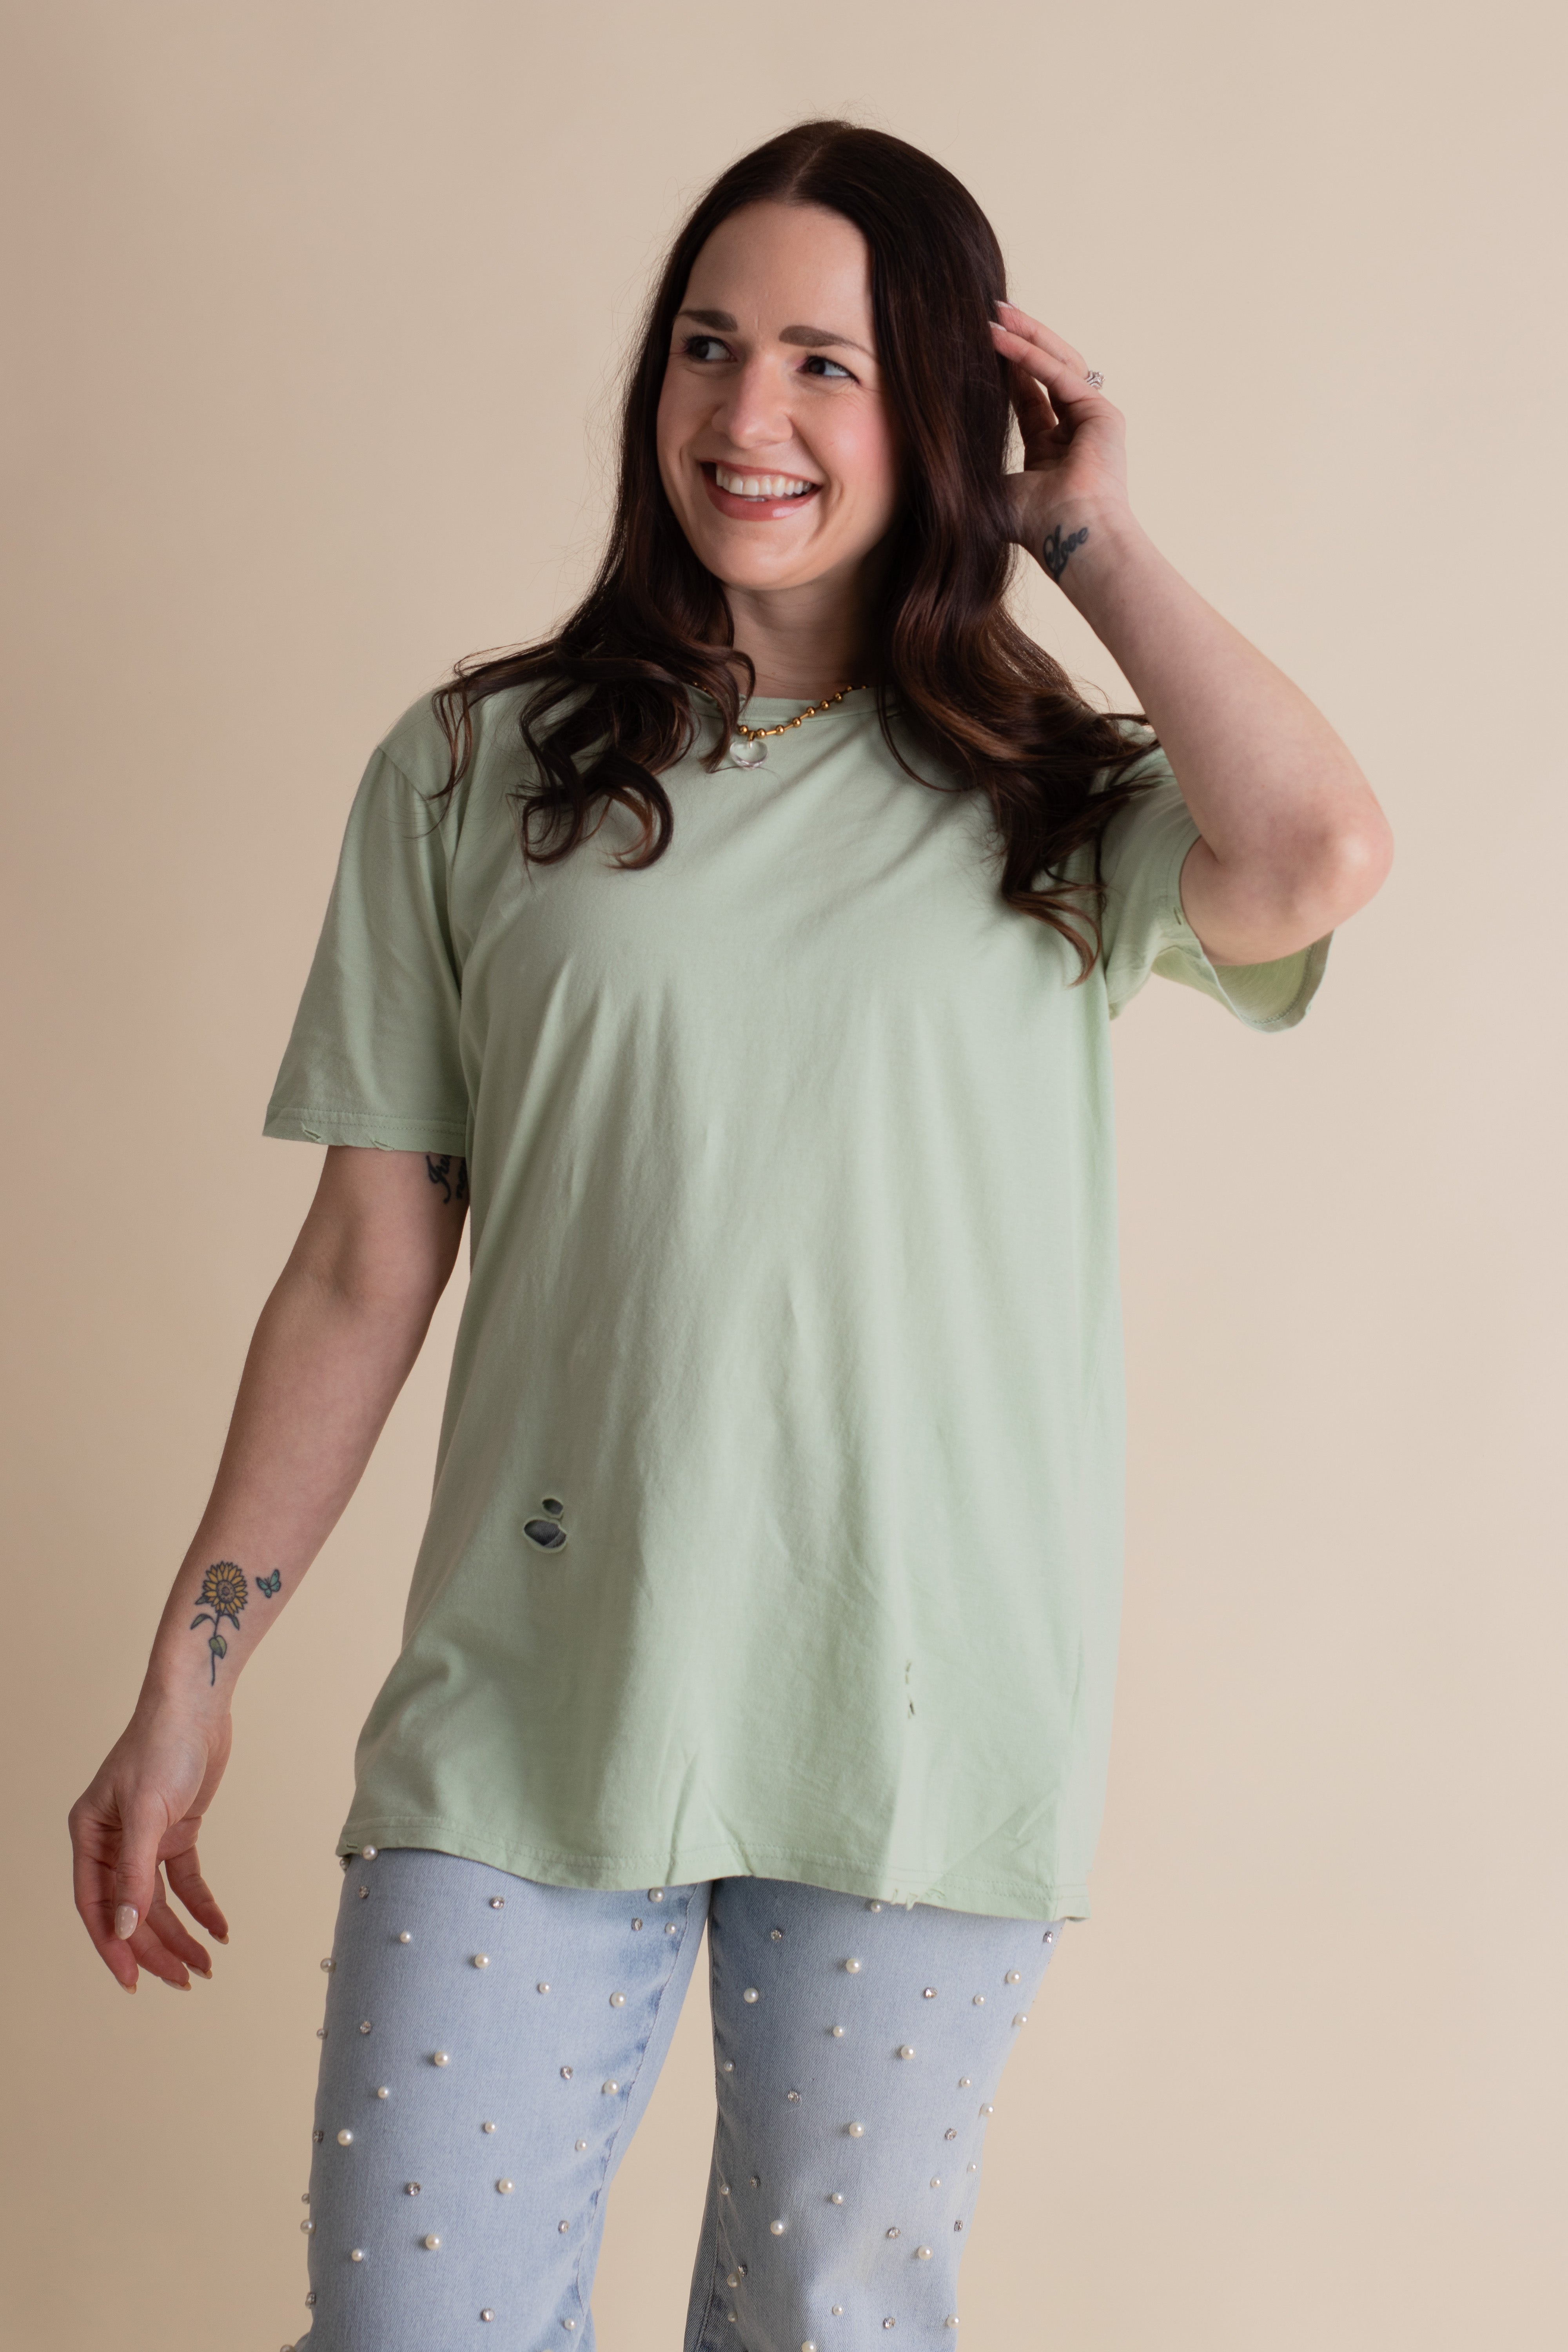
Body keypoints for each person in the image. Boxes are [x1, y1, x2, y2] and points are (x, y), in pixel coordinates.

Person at [68, 119, 1392, 2351]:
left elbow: (1322, 852)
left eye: (825, 363)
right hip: (531, 1701)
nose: (745, 413)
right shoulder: (473, 771)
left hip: (916, 1708)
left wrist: (1083, 529)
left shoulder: (1055, 794)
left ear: (942, 410)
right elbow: (365, 1267)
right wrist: (189, 1682)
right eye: (706, 345)